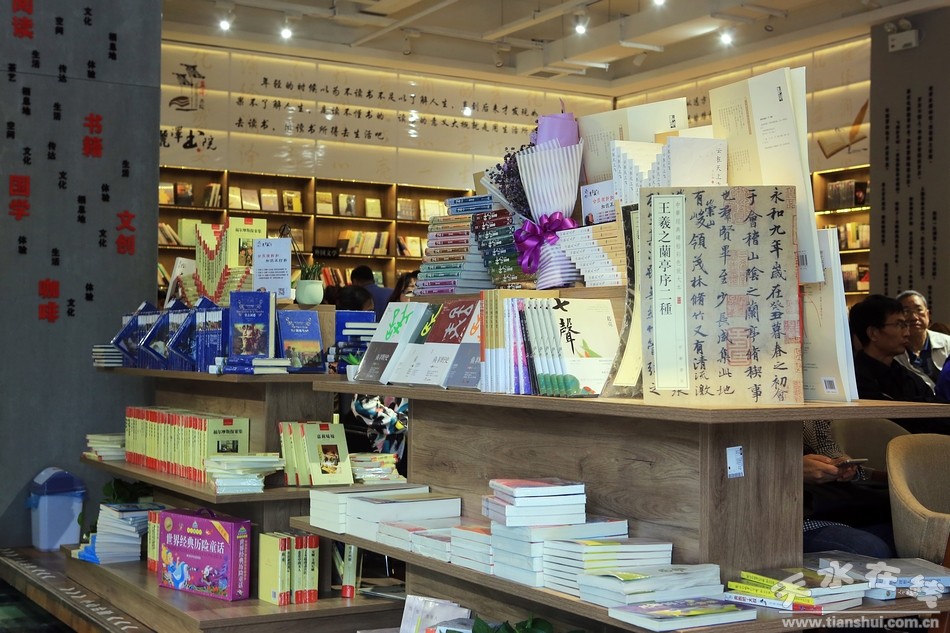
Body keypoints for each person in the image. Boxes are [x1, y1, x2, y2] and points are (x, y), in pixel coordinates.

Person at [849, 294, 948, 433]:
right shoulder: (855, 380)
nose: (907, 333)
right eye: (899, 325)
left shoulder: (906, 375)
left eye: (905, 325)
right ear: (873, 333)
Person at [802, 420, 894, 558]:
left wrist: (837, 460)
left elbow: (823, 442)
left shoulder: (808, 411)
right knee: (872, 549)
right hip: (782, 518)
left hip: (822, 504)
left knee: (906, 536)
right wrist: (791, 467)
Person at [895, 289, 950, 387]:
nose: (914, 317)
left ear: (928, 315)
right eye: (906, 311)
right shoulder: (892, 350)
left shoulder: (947, 343)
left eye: (919, 310)